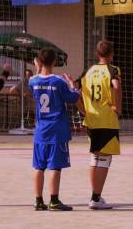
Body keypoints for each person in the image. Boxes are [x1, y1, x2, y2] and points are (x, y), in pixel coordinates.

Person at [29, 48, 80, 211]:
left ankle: (38, 201)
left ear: (39, 61)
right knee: (55, 166)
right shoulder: (58, 82)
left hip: (40, 131)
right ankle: (54, 200)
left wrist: (37, 69)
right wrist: (73, 86)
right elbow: (73, 97)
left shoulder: (33, 81)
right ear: (53, 62)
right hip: (57, 130)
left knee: (39, 167)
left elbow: (34, 84)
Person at [77, 40, 122, 210]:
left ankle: (95, 195)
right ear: (112, 54)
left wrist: (83, 110)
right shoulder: (113, 69)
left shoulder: (88, 71)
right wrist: (117, 107)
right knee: (105, 158)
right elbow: (116, 86)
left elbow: (75, 89)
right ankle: (95, 198)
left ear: (97, 54)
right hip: (107, 119)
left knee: (95, 156)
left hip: (91, 119)